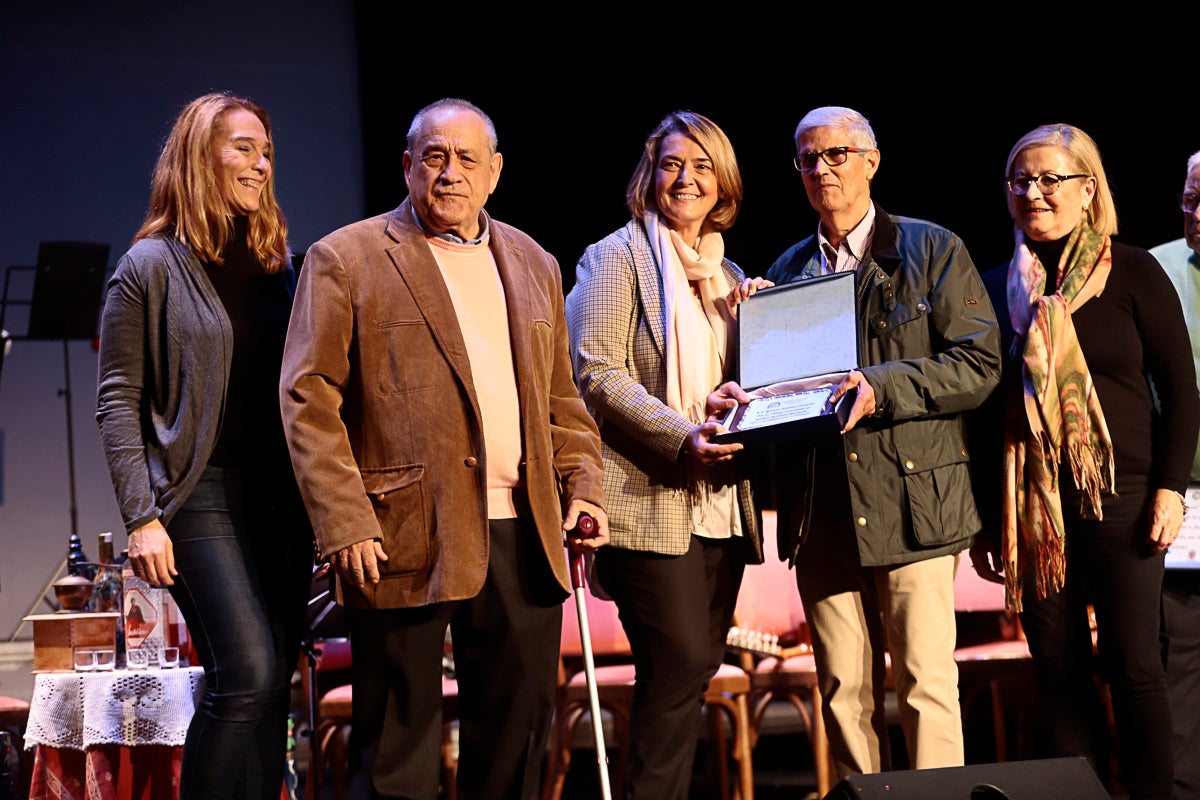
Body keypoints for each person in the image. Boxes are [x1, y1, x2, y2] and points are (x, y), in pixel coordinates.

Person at [278, 97, 608, 800]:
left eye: (466, 159)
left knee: (518, 738)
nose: (449, 173)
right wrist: (344, 520)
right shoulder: (347, 257)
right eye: (434, 156)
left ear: (494, 173)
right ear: (407, 166)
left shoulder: (533, 260)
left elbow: (561, 402)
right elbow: (308, 400)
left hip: (526, 532)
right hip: (400, 535)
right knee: (398, 749)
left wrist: (585, 485)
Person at [758, 105, 1001, 779]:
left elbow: (981, 365)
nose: (821, 169)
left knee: (924, 684)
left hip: (915, 507)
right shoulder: (785, 271)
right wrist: (745, 360)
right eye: (808, 158)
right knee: (843, 693)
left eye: (836, 154)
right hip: (825, 515)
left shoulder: (932, 248)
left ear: (871, 160)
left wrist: (880, 386)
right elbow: (777, 403)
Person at [95, 91, 315, 799]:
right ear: (198, 155)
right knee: (244, 670)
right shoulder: (150, 267)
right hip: (199, 496)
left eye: (267, 151)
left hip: (280, 500)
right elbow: (117, 399)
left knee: (273, 670)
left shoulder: (283, 266)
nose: (261, 164)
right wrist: (141, 517)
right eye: (244, 147)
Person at [969, 124, 1199, 799]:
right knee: (1058, 669)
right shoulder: (994, 286)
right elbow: (985, 416)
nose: (1033, 193)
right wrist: (989, 519)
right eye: (1020, 181)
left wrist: (1169, 488)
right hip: (1035, 506)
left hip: (1122, 495)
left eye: (1049, 180)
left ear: (1088, 190)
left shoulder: (1131, 270)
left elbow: (1179, 388)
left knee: (1135, 664)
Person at [563, 109, 764, 799]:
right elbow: (597, 371)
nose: (687, 179)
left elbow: (734, 390)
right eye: (674, 164)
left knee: (692, 667)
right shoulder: (614, 256)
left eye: (703, 166)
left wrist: (759, 329)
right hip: (646, 496)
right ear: (651, 176)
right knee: (677, 660)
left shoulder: (727, 274)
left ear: (724, 184)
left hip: (719, 503)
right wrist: (683, 435)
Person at [1148, 150, 1200, 800]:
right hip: (1177, 501)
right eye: (1191, 201)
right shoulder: (1153, 270)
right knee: (1179, 656)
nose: (1198, 216)